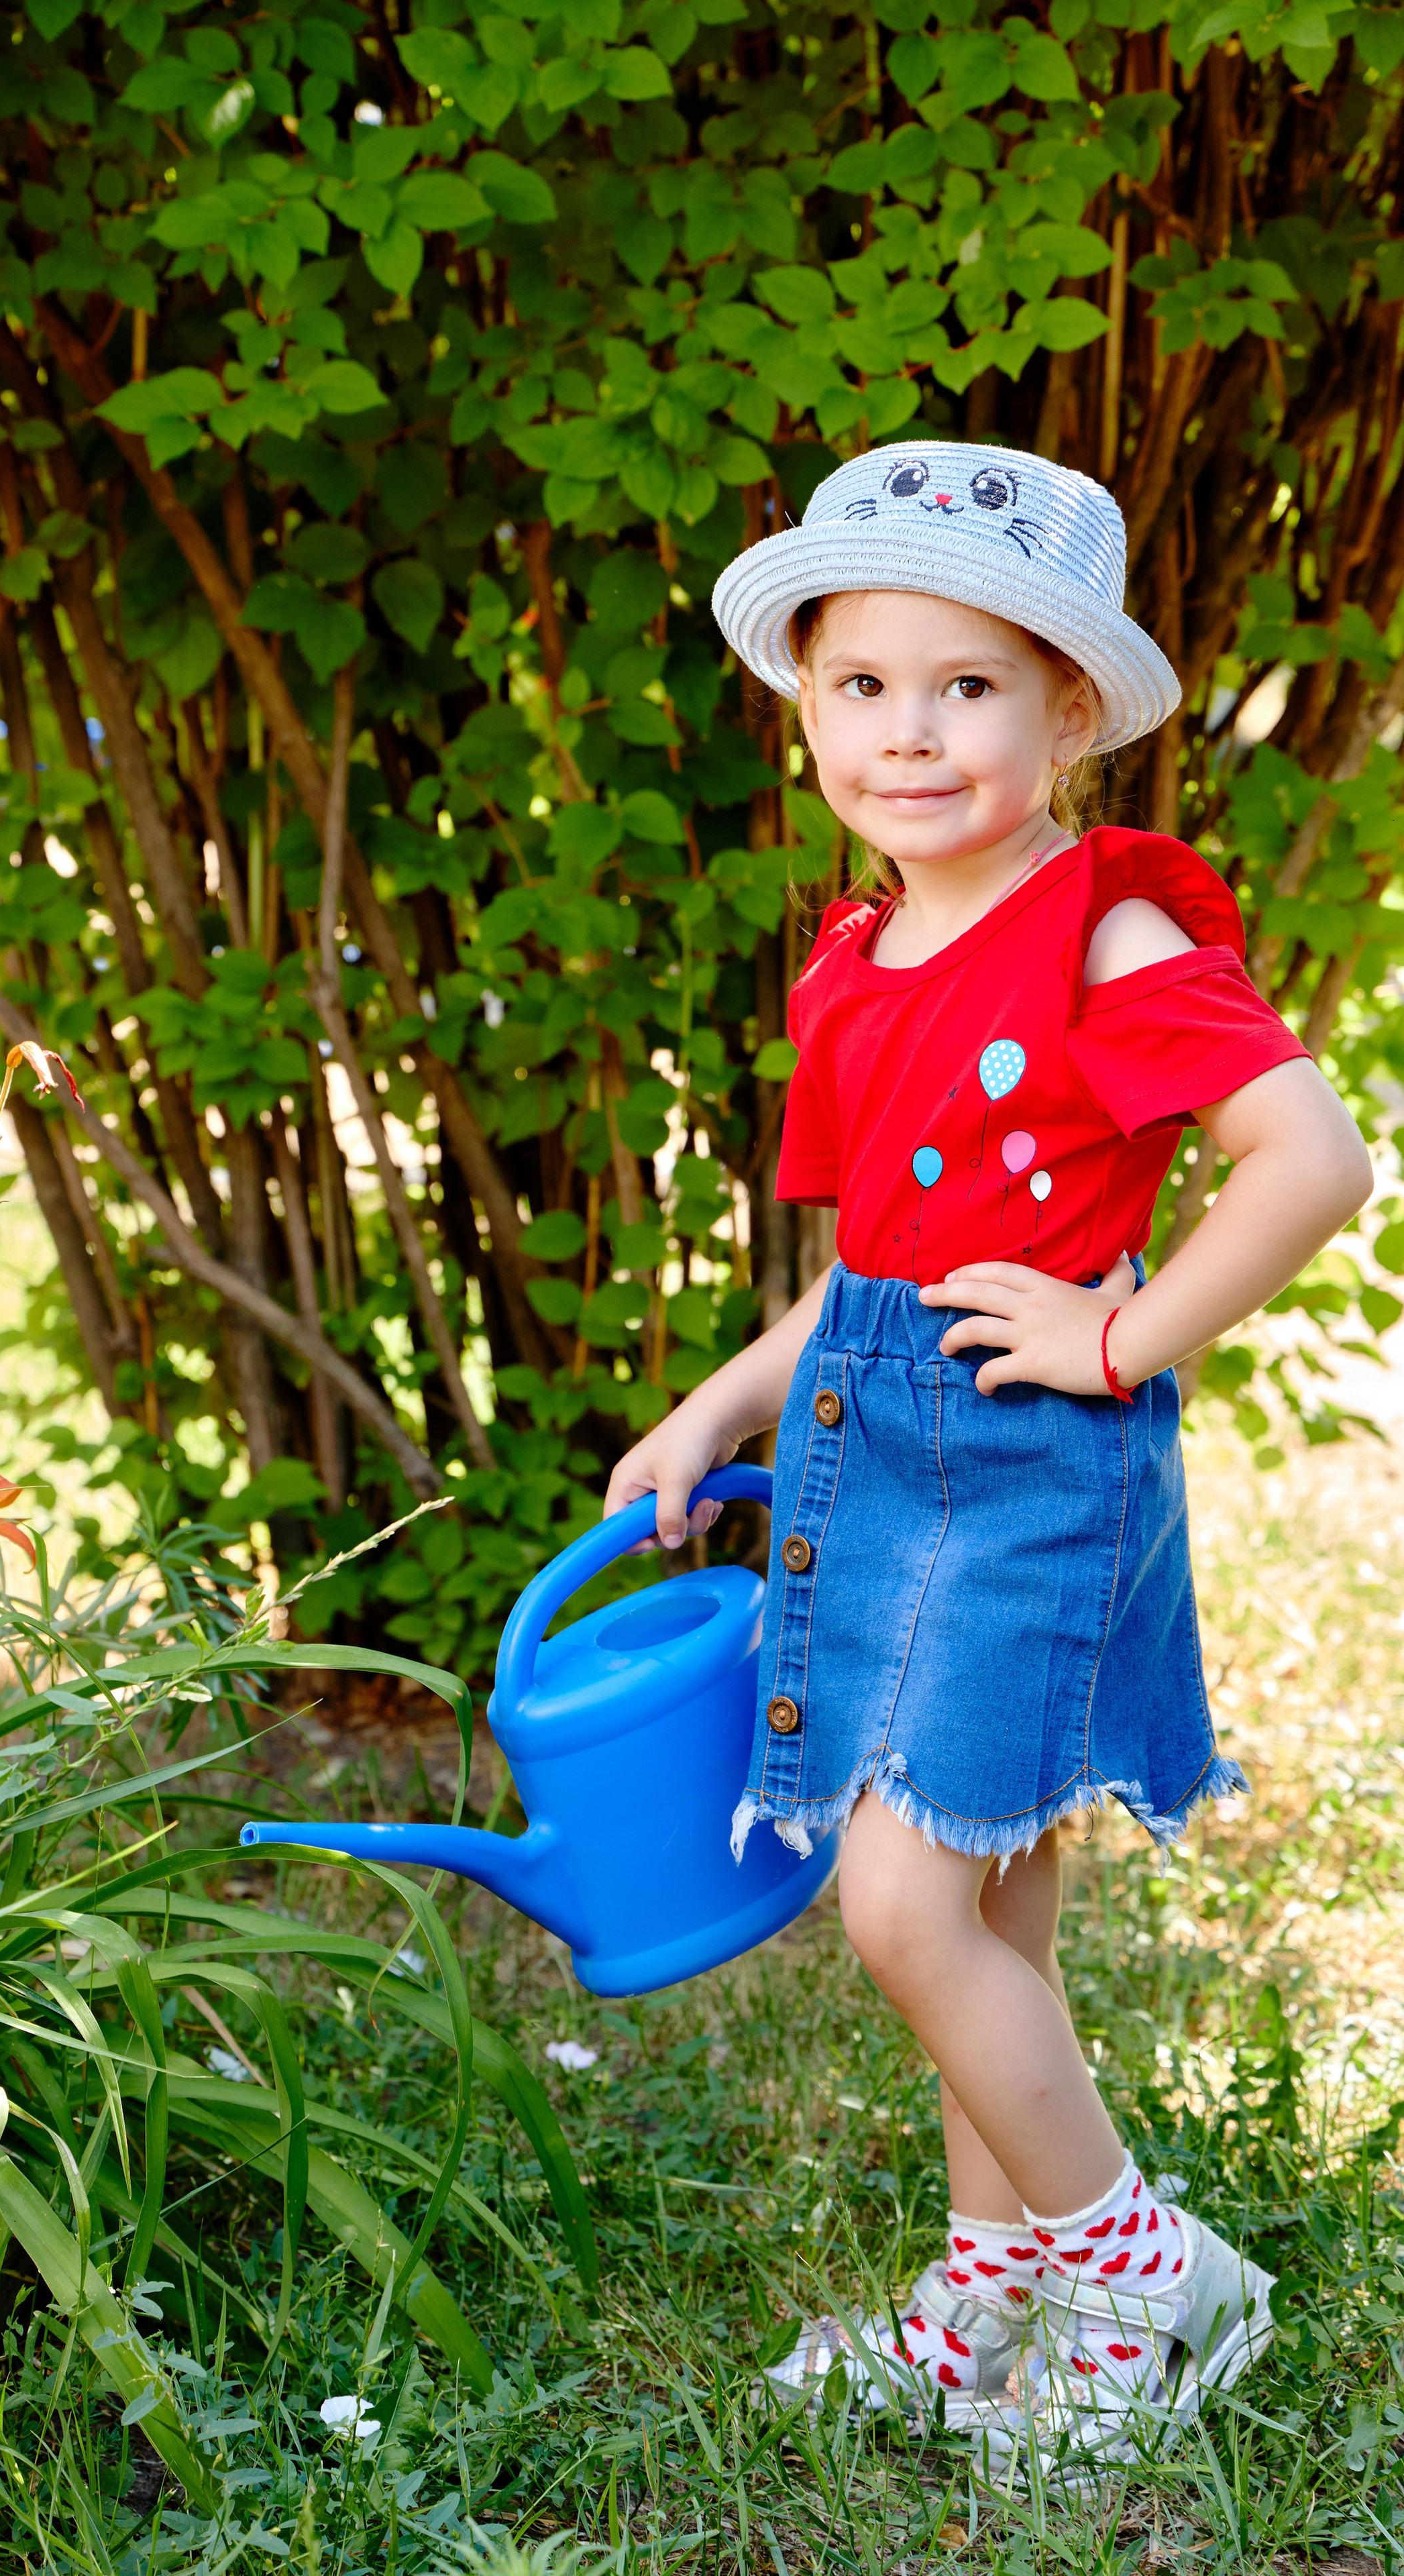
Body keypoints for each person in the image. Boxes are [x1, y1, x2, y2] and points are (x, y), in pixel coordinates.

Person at [602, 443, 1371, 2474]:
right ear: (811, 711)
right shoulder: (859, 965)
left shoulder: (1102, 936)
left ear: (1065, 716)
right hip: (879, 1445)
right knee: (995, 1919)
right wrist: (723, 1404)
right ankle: (995, 2278)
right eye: (866, 686)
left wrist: (1118, 1330)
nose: (912, 730)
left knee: (902, 1905)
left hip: (1028, 1474)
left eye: (970, 687)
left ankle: (1139, 2267)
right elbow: (874, 1271)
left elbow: (1312, 1161)